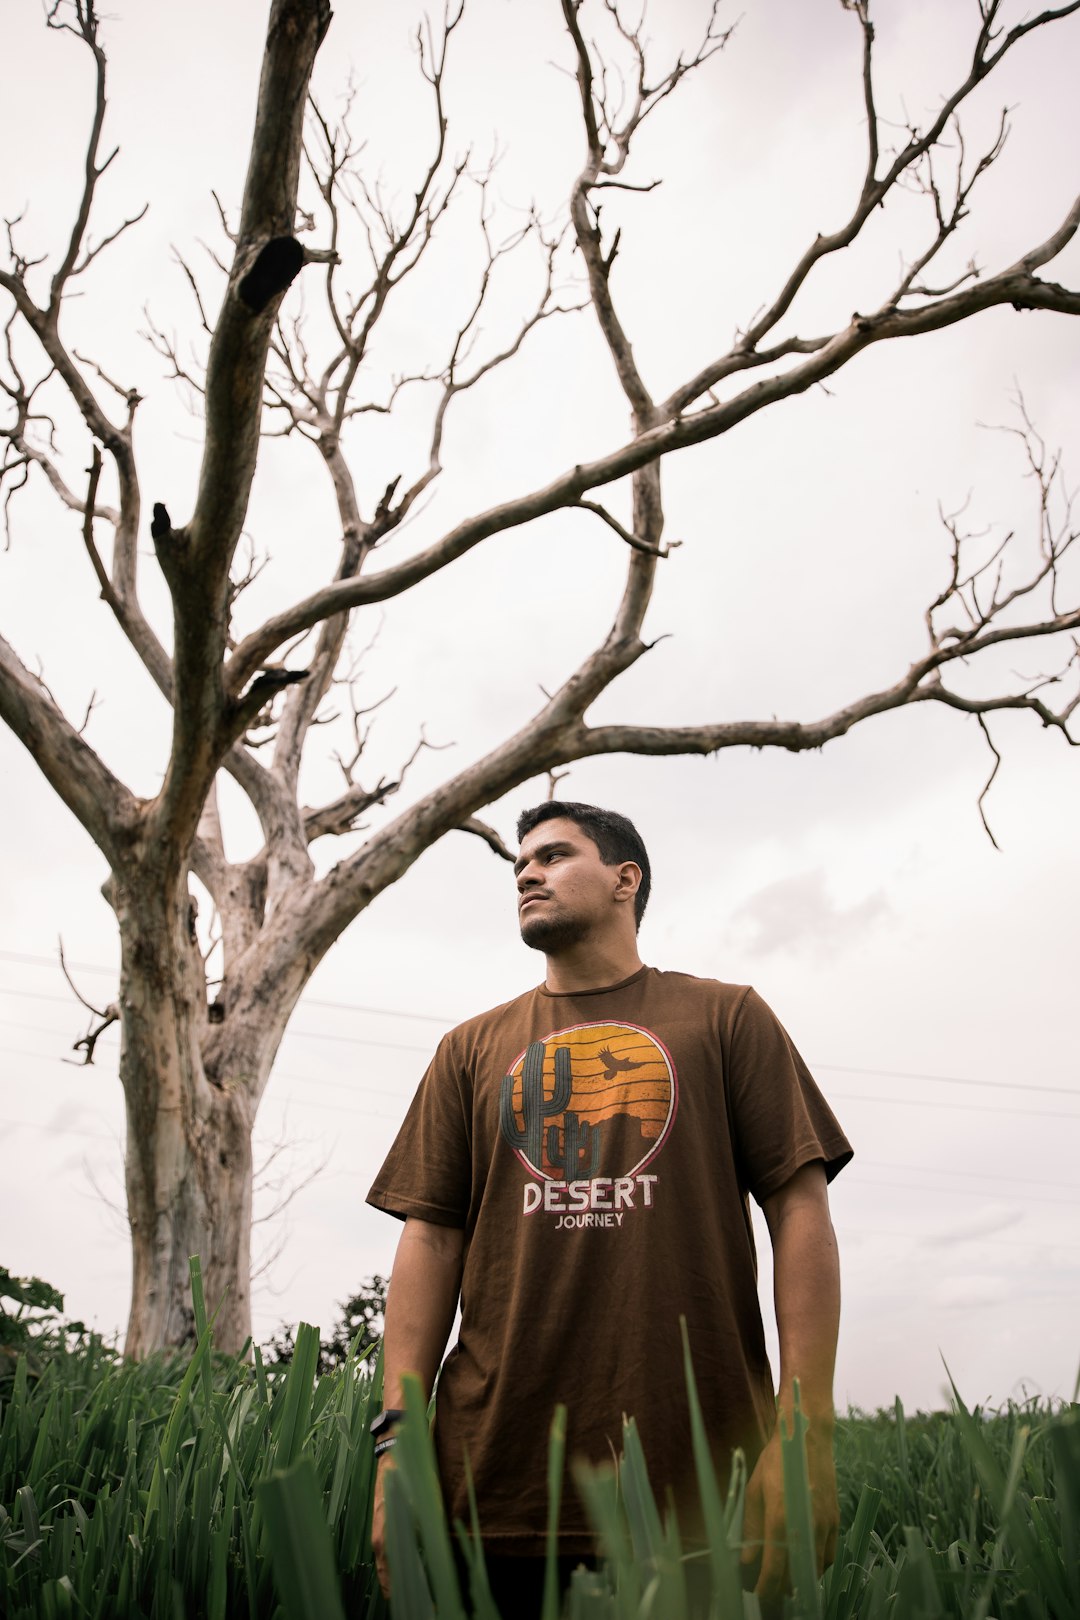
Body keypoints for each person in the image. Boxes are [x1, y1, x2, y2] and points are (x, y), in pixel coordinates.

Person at [367, 801, 852, 1616]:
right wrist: (395, 1450)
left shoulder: (725, 1017)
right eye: (520, 863)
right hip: (491, 1485)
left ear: (626, 879)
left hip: (700, 1483)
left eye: (554, 856)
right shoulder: (469, 1048)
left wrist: (806, 1434)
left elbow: (800, 1213)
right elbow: (431, 1240)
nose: (527, 872)